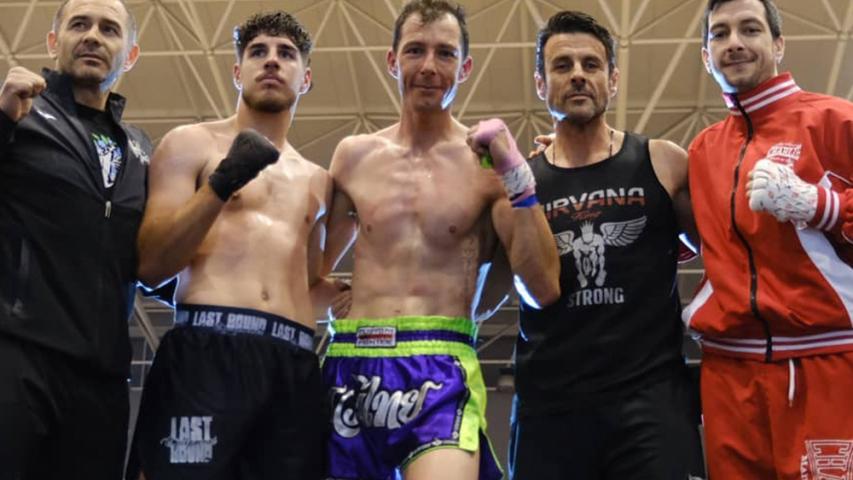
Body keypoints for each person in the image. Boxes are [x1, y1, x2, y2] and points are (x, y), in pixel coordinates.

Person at [318, 1, 560, 479]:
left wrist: (517, 176)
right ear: (393, 61)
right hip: (351, 363)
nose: (429, 66)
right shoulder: (353, 156)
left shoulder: (487, 167)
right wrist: (331, 297)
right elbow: (309, 268)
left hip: (439, 366)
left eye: (445, 53)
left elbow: (543, 286)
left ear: (464, 68)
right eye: (416, 51)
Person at [126, 11, 332, 480]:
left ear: (306, 78)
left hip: (294, 364)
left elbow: (308, 284)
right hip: (207, 351)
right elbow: (151, 264)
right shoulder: (190, 144)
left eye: (286, 54)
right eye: (258, 52)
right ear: (238, 72)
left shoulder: (319, 180)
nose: (272, 61)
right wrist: (223, 182)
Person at [507, 10, 705, 480]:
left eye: (591, 64)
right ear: (541, 83)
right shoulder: (519, 184)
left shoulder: (663, 162)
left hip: (650, 403)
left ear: (613, 80)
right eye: (562, 65)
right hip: (549, 407)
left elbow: (730, 252)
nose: (578, 74)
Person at [686, 0, 853, 477]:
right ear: (706, 56)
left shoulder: (836, 120)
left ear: (778, 44)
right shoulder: (703, 150)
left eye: (750, 29)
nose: (735, 43)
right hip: (728, 376)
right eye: (720, 34)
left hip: (825, 360)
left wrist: (821, 206)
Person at [0, 0, 148, 478]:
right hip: (18, 356)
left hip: (101, 377)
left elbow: (150, 257)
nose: (92, 36)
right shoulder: (20, 111)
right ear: (53, 41)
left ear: (130, 55)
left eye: (109, 29)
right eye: (79, 24)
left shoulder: (140, 150)